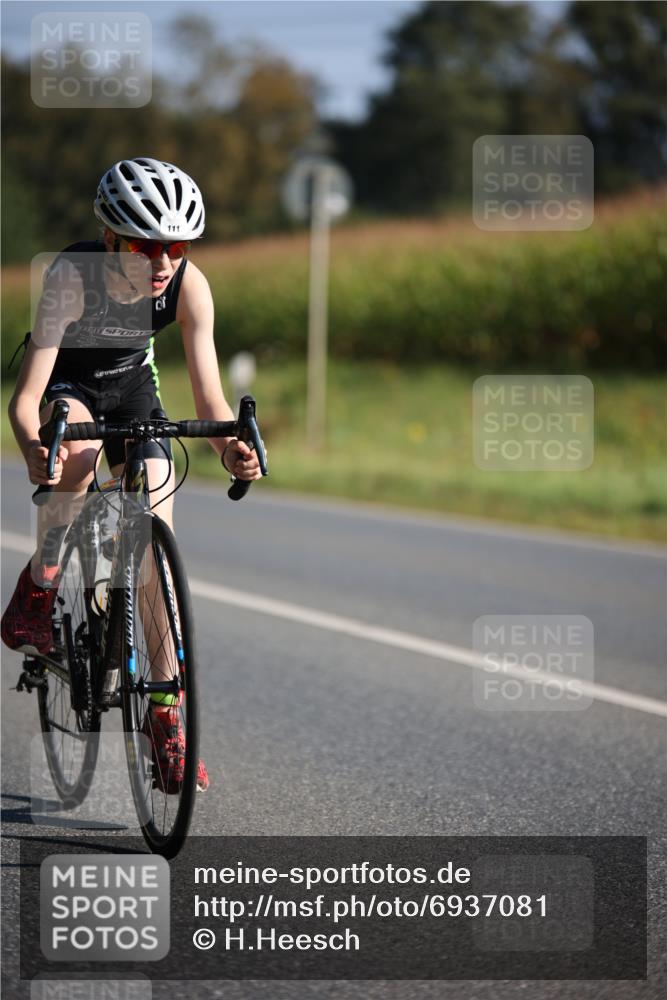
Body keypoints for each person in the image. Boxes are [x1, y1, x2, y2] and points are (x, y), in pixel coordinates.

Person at [1, 157, 263, 793]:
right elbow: (25, 397)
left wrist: (232, 447)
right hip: (73, 385)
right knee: (79, 456)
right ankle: (40, 584)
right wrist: (36, 446)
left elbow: (209, 398)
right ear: (113, 240)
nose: (164, 260)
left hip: (133, 392)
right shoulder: (72, 274)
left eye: (176, 246)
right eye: (148, 247)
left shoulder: (188, 285)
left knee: (150, 526)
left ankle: (166, 719)